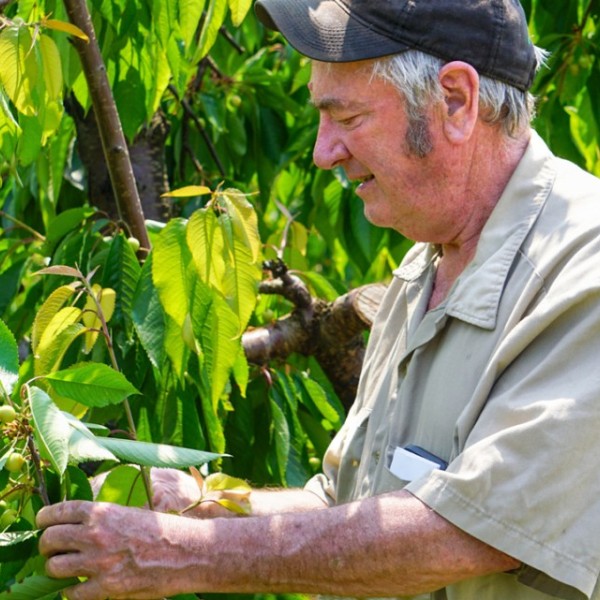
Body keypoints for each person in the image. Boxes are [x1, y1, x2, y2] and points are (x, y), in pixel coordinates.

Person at [37, 1, 600, 599]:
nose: (322, 151)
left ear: (456, 101)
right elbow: (345, 504)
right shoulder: (424, 267)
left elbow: (462, 533)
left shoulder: (579, 271)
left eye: (348, 117)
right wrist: (198, 507)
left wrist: (179, 552)